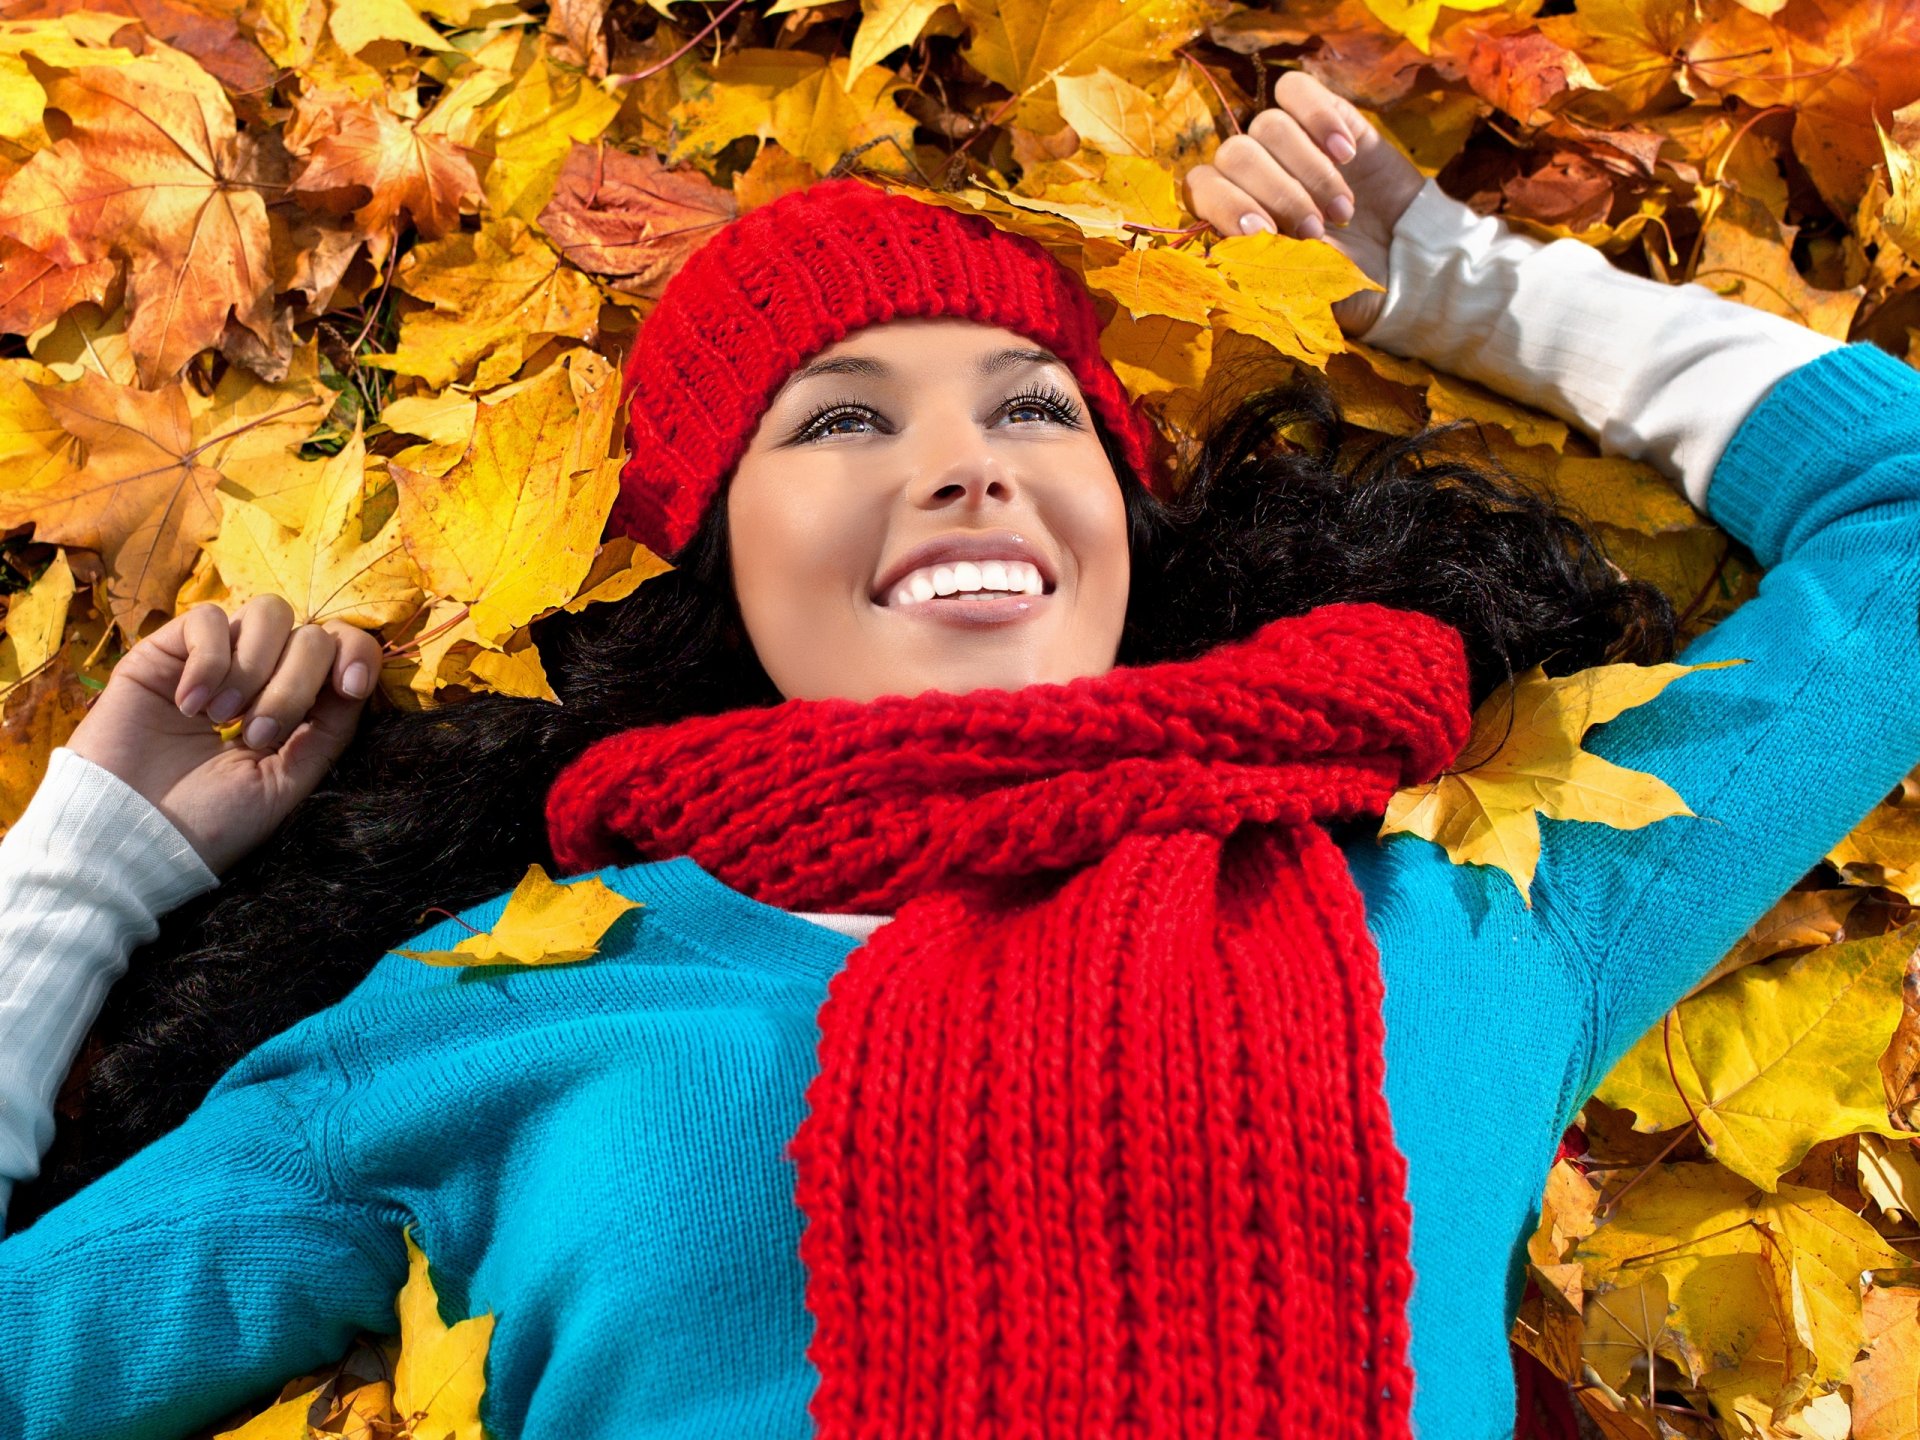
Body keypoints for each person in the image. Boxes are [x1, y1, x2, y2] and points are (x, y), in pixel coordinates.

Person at [1, 71, 1916, 1440]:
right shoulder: (505, 995)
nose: (966, 456)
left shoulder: (1470, 894)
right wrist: (83, 876)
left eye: (1031, 406)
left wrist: (1450, 281)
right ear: (719, 567)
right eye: (836, 423)